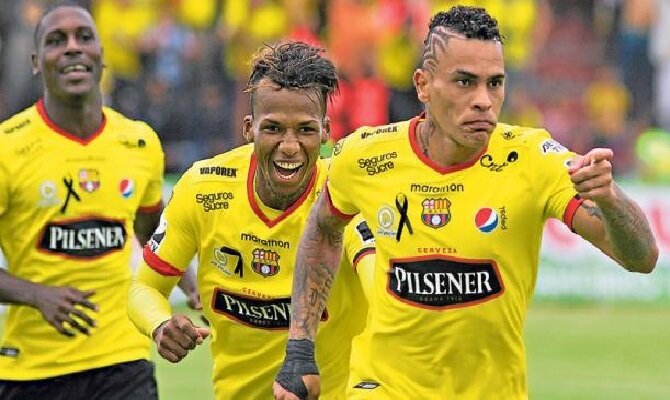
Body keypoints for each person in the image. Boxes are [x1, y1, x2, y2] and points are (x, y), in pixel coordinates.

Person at [274, 6, 659, 400]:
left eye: (495, 84)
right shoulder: (365, 156)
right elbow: (322, 230)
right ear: (423, 85)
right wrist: (300, 350)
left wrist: (610, 200)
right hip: (383, 388)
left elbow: (642, 258)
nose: (483, 101)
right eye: (464, 82)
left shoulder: (533, 159)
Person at [127, 41, 375, 399]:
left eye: (305, 130)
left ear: (325, 131)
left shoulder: (344, 193)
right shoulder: (204, 189)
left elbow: (383, 287)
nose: (289, 146)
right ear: (249, 128)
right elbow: (143, 288)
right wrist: (161, 324)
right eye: (273, 128)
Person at [0, 3, 197, 399]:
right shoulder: (8, 147)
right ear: (37, 63)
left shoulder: (140, 142)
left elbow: (153, 233)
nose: (73, 48)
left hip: (123, 360)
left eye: (84, 37)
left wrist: (192, 285)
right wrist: (37, 295)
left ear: (102, 56)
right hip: (34, 371)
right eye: (57, 41)